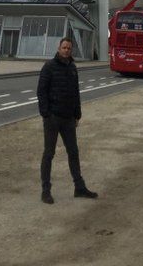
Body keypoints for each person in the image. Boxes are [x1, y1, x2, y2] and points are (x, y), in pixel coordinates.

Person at [37, 37, 98, 204]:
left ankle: (79, 187)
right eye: (64, 47)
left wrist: (77, 114)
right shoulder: (49, 66)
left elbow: (75, 92)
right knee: (49, 154)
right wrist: (46, 114)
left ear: (71, 50)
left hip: (69, 118)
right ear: (59, 48)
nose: (66, 50)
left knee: (73, 152)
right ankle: (45, 190)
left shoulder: (72, 67)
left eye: (69, 48)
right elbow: (41, 91)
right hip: (53, 118)